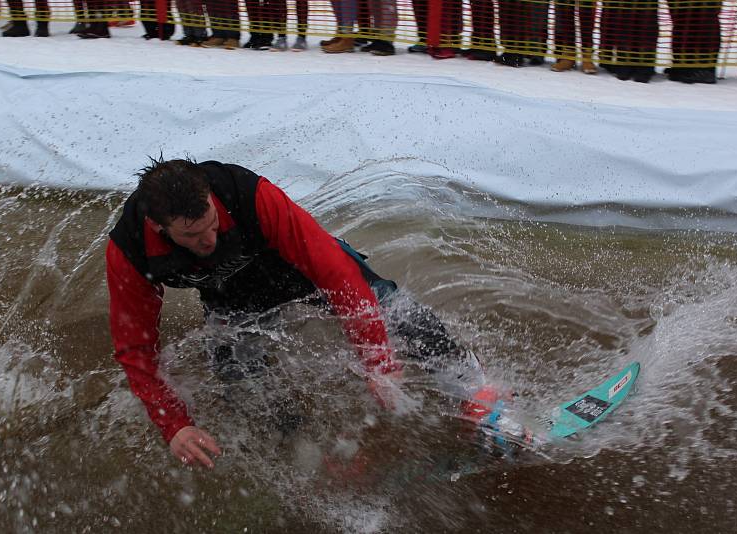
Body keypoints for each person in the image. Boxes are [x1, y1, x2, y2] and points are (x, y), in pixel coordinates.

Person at [107, 158, 482, 468]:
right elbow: (134, 348)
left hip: (296, 268)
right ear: (159, 227)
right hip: (231, 299)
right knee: (242, 387)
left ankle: (474, 388)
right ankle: (313, 452)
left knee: (389, 308)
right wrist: (174, 425)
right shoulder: (131, 249)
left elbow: (334, 272)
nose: (210, 240)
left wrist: (376, 356)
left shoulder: (244, 192)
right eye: (192, 236)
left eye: (213, 224)